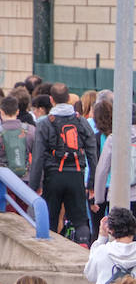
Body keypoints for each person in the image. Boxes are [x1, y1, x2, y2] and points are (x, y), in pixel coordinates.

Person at [30, 82, 98, 243]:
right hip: (76, 175)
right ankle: (83, 250)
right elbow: (92, 153)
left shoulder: (45, 123)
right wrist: (92, 183)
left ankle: (49, 252)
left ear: (51, 99)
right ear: (68, 98)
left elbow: (38, 156)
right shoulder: (81, 121)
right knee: (80, 219)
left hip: (53, 176)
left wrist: (34, 185)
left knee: (50, 219)